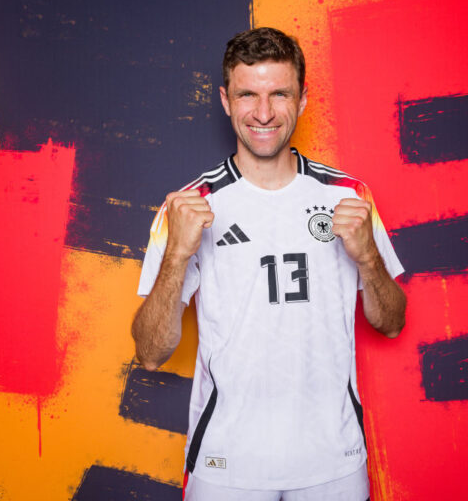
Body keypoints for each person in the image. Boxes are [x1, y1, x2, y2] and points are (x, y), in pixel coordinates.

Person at [132, 27, 406, 501]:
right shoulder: (188, 205)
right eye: (247, 95)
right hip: (226, 465)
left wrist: (368, 259)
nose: (263, 113)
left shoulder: (348, 197)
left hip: (333, 462)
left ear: (301, 100)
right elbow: (150, 352)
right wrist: (177, 254)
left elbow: (393, 323)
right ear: (225, 100)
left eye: (279, 94)